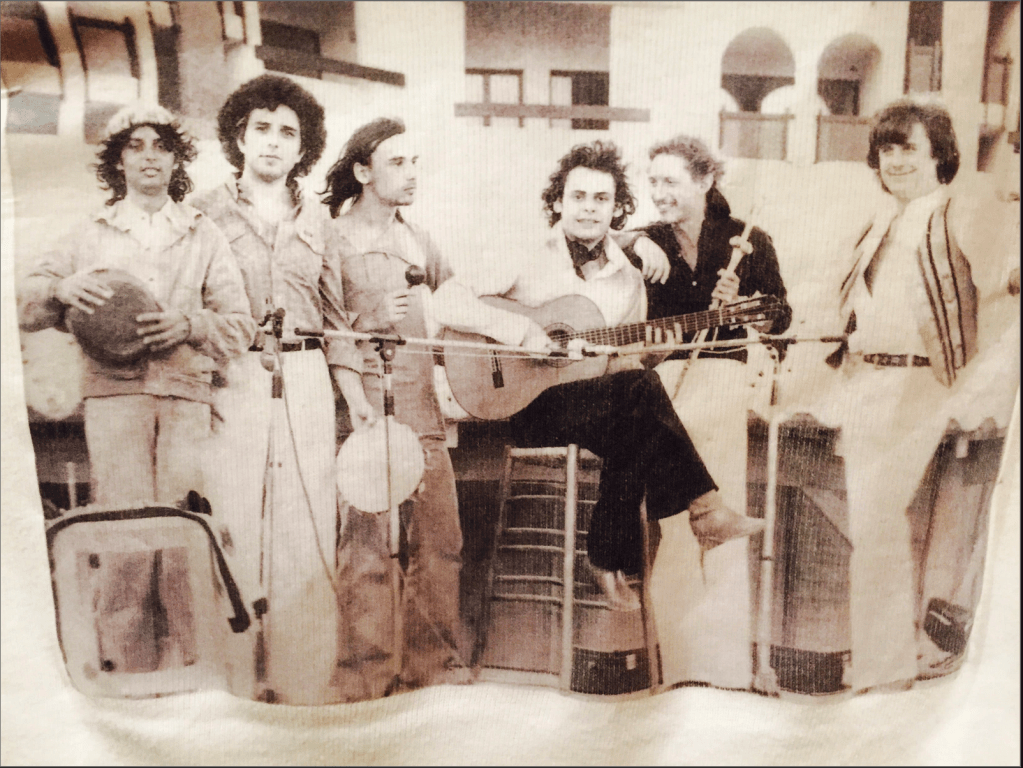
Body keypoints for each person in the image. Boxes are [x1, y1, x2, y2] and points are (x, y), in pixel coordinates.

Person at [432, 140, 766, 613]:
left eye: (601, 199)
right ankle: (697, 512)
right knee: (638, 409)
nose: (589, 208)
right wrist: (520, 330)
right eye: (579, 196)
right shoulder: (524, 251)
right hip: (518, 405)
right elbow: (445, 300)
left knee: (636, 409)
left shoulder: (628, 277)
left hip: (586, 405)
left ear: (617, 209)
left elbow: (620, 367)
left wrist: (652, 353)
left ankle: (621, 555)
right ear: (558, 202)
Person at [17, 103, 254, 672]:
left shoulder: (202, 233)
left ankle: (194, 678)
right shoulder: (89, 233)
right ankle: (126, 679)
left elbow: (241, 324)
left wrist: (189, 324)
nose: (150, 157)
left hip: (186, 402)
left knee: (185, 541)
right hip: (115, 401)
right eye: (136, 146)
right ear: (117, 161)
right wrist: (61, 288)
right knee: (123, 540)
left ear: (176, 160)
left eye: (162, 146)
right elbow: (25, 306)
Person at [826, 100, 1009, 691]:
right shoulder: (879, 223)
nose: (896, 160)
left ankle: (883, 666)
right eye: (887, 149)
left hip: (916, 384)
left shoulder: (955, 214)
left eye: (909, 147)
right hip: (865, 382)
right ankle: (884, 657)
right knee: (869, 526)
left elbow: (1003, 275)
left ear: (939, 156)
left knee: (878, 522)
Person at [191, 74, 359, 705]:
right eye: (261, 128)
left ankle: (301, 684)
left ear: (303, 148)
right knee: (231, 522)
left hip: (307, 378)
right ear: (239, 137)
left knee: (304, 529)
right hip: (231, 378)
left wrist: (358, 403)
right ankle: (231, 682)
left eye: (288, 132)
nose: (273, 141)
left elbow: (338, 319)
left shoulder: (321, 221)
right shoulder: (203, 212)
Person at [620, 135, 791, 688]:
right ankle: (681, 671)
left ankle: (726, 672)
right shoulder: (645, 241)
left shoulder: (748, 239)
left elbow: (781, 316)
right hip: (660, 387)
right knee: (672, 526)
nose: (658, 192)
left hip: (722, 380)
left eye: (670, 181)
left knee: (723, 519)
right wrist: (632, 238)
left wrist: (746, 310)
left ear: (704, 180)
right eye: (653, 182)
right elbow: (589, 241)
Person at [323, 118, 471, 698]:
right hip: (361, 410)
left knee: (440, 544)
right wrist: (371, 318)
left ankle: (432, 673)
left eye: (415, 163)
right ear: (363, 172)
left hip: (422, 411)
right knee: (366, 550)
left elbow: (459, 307)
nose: (411, 175)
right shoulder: (332, 238)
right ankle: (364, 679)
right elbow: (323, 326)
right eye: (397, 163)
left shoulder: (420, 240)